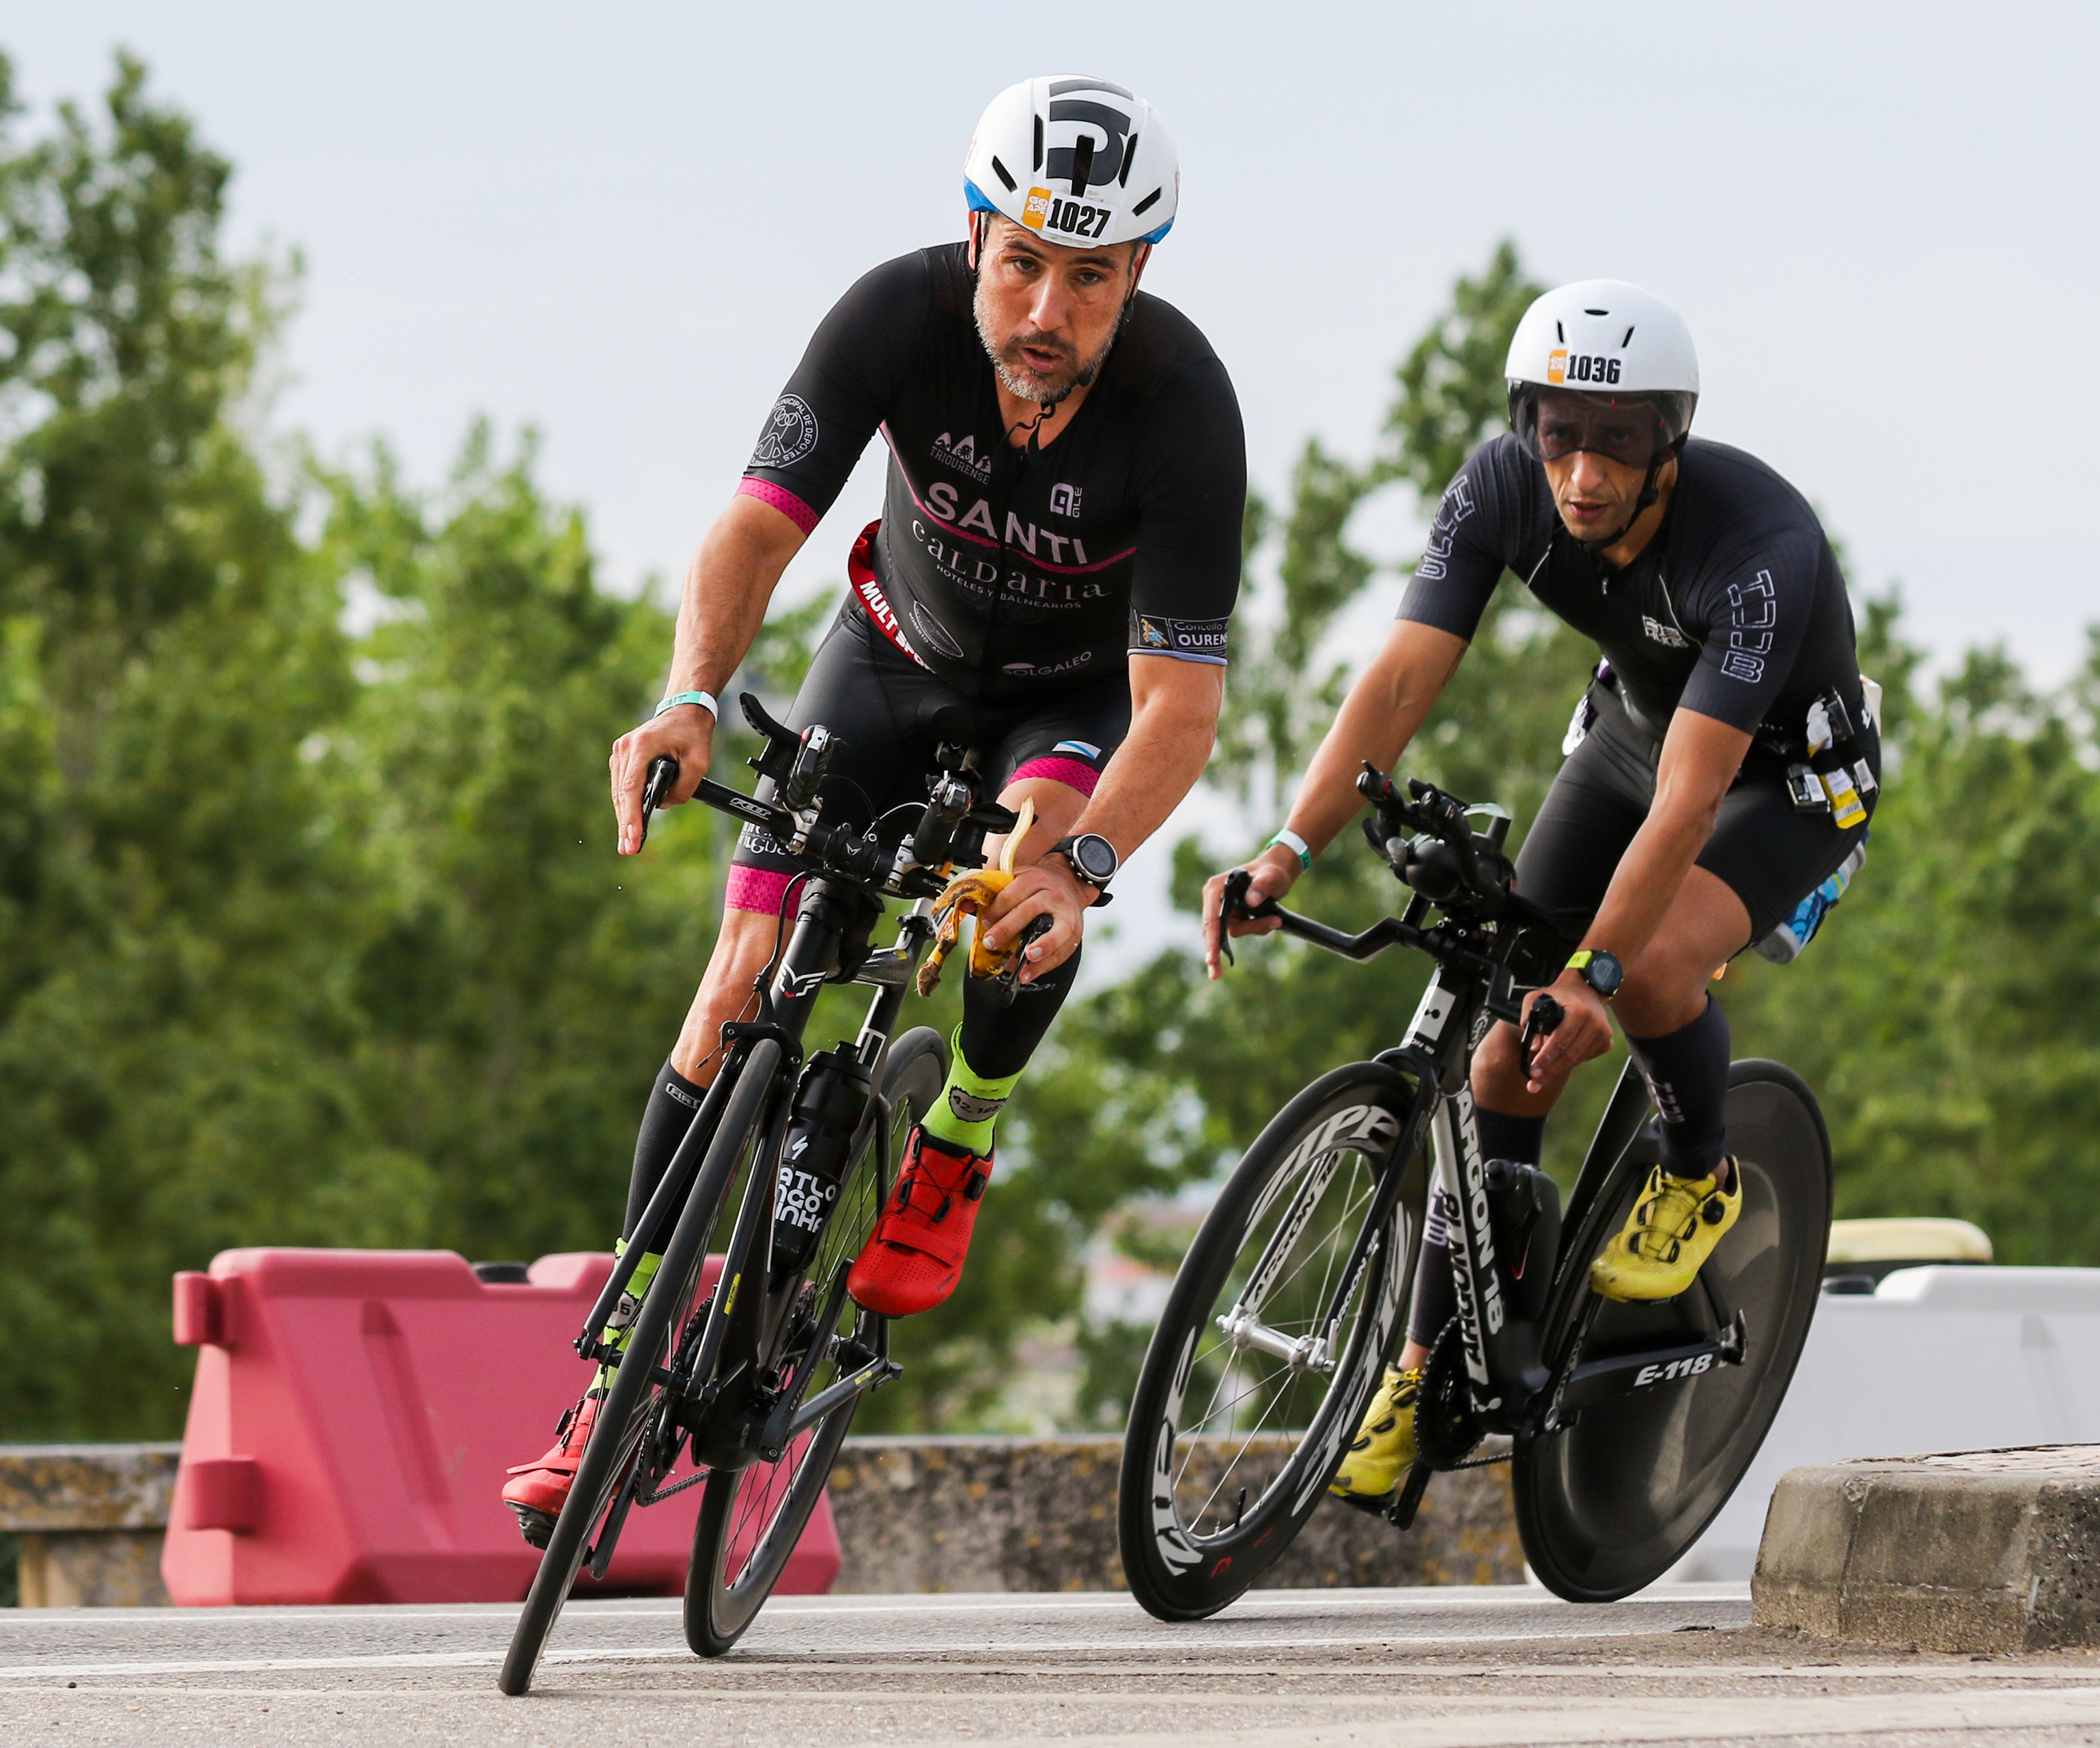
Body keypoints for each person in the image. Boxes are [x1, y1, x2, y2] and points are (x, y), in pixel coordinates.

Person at [503, 74, 1246, 1542]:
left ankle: (961, 1127)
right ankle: (619, 1369)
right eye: (1022, 262)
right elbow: (754, 527)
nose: (1047, 309)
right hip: (886, 662)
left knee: (1023, 886)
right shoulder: (895, 316)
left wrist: (1085, 865)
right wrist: (689, 696)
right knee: (734, 984)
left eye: (1090, 277)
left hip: (1063, 708)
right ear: (974, 238)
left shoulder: (1183, 405)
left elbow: (1178, 706)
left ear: (1138, 273)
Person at [1200, 280, 1878, 1504]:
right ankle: (1427, 1368)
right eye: (1559, 434)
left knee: (1649, 969)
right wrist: (1288, 849)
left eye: (1618, 440)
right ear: (1527, 425)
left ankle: (1700, 1167)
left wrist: (1596, 976)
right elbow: (1399, 684)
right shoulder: (1501, 486)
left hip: (1782, 779)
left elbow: (1690, 805)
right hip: (1628, 739)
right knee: (1504, 1057)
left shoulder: (1758, 549)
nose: (1583, 472)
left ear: (1669, 440)